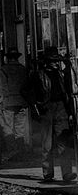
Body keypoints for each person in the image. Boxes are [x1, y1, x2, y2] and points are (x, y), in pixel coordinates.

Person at [25, 47, 77, 183]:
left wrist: (68, 64)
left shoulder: (61, 74)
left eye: (57, 61)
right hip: (46, 109)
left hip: (61, 108)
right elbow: (25, 90)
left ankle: (67, 173)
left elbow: (70, 87)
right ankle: (48, 173)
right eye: (53, 61)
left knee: (63, 142)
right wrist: (35, 104)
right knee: (47, 143)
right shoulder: (37, 75)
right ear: (47, 62)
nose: (56, 63)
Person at [0, 47, 31, 161]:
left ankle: (12, 151)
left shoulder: (3, 70)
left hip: (8, 101)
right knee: (20, 129)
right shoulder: (23, 69)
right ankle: (21, 151)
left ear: (8, 58)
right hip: (21, 101)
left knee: (7, 128)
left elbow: (1, 86)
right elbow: (27, 86)